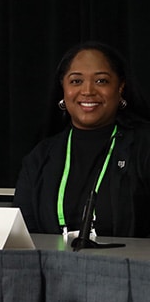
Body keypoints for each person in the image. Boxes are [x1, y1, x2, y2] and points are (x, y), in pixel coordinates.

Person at [14, 41, 150, 238]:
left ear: (120, 87)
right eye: (76, 81)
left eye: (101, 81)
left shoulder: (144, 146)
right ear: (63, 88)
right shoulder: (41, 156)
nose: (88, 91)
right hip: (51, 267)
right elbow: (23, 234)